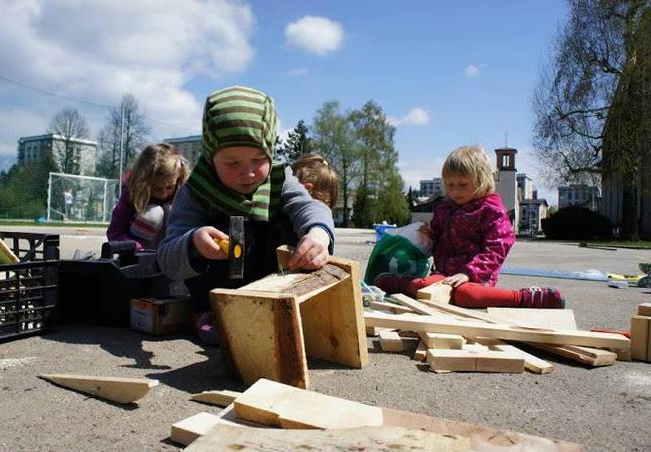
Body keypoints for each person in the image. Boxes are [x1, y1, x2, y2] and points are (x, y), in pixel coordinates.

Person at [157, 86, 335, 344]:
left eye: (259, 159)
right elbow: (167, 258)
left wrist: (318, 233)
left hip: (274, 287)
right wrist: (194, 242)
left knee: (292, 219)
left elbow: (309, 207)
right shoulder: (196, 191)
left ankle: (283, 305)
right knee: (217, 230)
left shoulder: (279, 179)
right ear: (210, 156)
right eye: (232, 162)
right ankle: (211, 312)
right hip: (217, 294)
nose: (248, 173)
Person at [375, 145, 565, 308]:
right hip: (444, 274)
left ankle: (523, 297)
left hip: (475, 278)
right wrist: (428, 236)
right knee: (426, 286)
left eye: (463, 184)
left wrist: (468, 272)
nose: (455, 191)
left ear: (481, 180)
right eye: (450, 185)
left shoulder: (491, 211)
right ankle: (395, 282)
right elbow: (438, 238)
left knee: (465, 296)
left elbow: (497, 249)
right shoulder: (444, 209)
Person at [107, 143, 190, 250]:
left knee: (171, 209)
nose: (163, 194)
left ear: (178, 178)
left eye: (170, 187)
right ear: (143, 182)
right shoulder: (132, 192)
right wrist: (134, 248)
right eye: (156, 188)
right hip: (138, 250)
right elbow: (115, 232)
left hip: (170, 251)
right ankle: (143, 256)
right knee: (153, 213)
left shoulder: (183, 190)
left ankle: (169, 255)